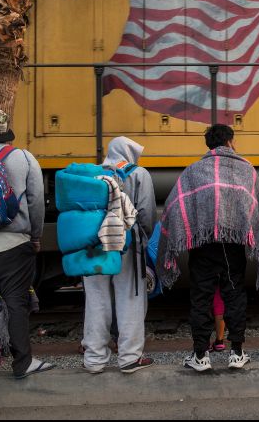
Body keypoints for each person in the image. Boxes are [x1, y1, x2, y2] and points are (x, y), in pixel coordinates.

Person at [157, 124, 259, 372]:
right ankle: (237, 354)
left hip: (203, 245)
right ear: (229, 141)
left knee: (201, 297)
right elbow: (256, 207)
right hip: (232, 246)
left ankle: (200, 356)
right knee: (234, 294)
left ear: (208, 144)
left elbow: (173, 205)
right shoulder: (245, 169)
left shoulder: (193, 171)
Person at [81, 137, 156, 374]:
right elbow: (146, 214)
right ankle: (129, 357)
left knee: (95, 300)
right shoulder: (138, 174)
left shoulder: (92, 176)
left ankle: (93, 359)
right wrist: (143, 238)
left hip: (92, 244)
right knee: (130, 298)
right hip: (125, 244)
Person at [0, 108, 53, 379]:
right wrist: (36, 236)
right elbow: (36, 202)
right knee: (16, 301)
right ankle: (22, 363)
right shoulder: (23, 158)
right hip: (14, 244)